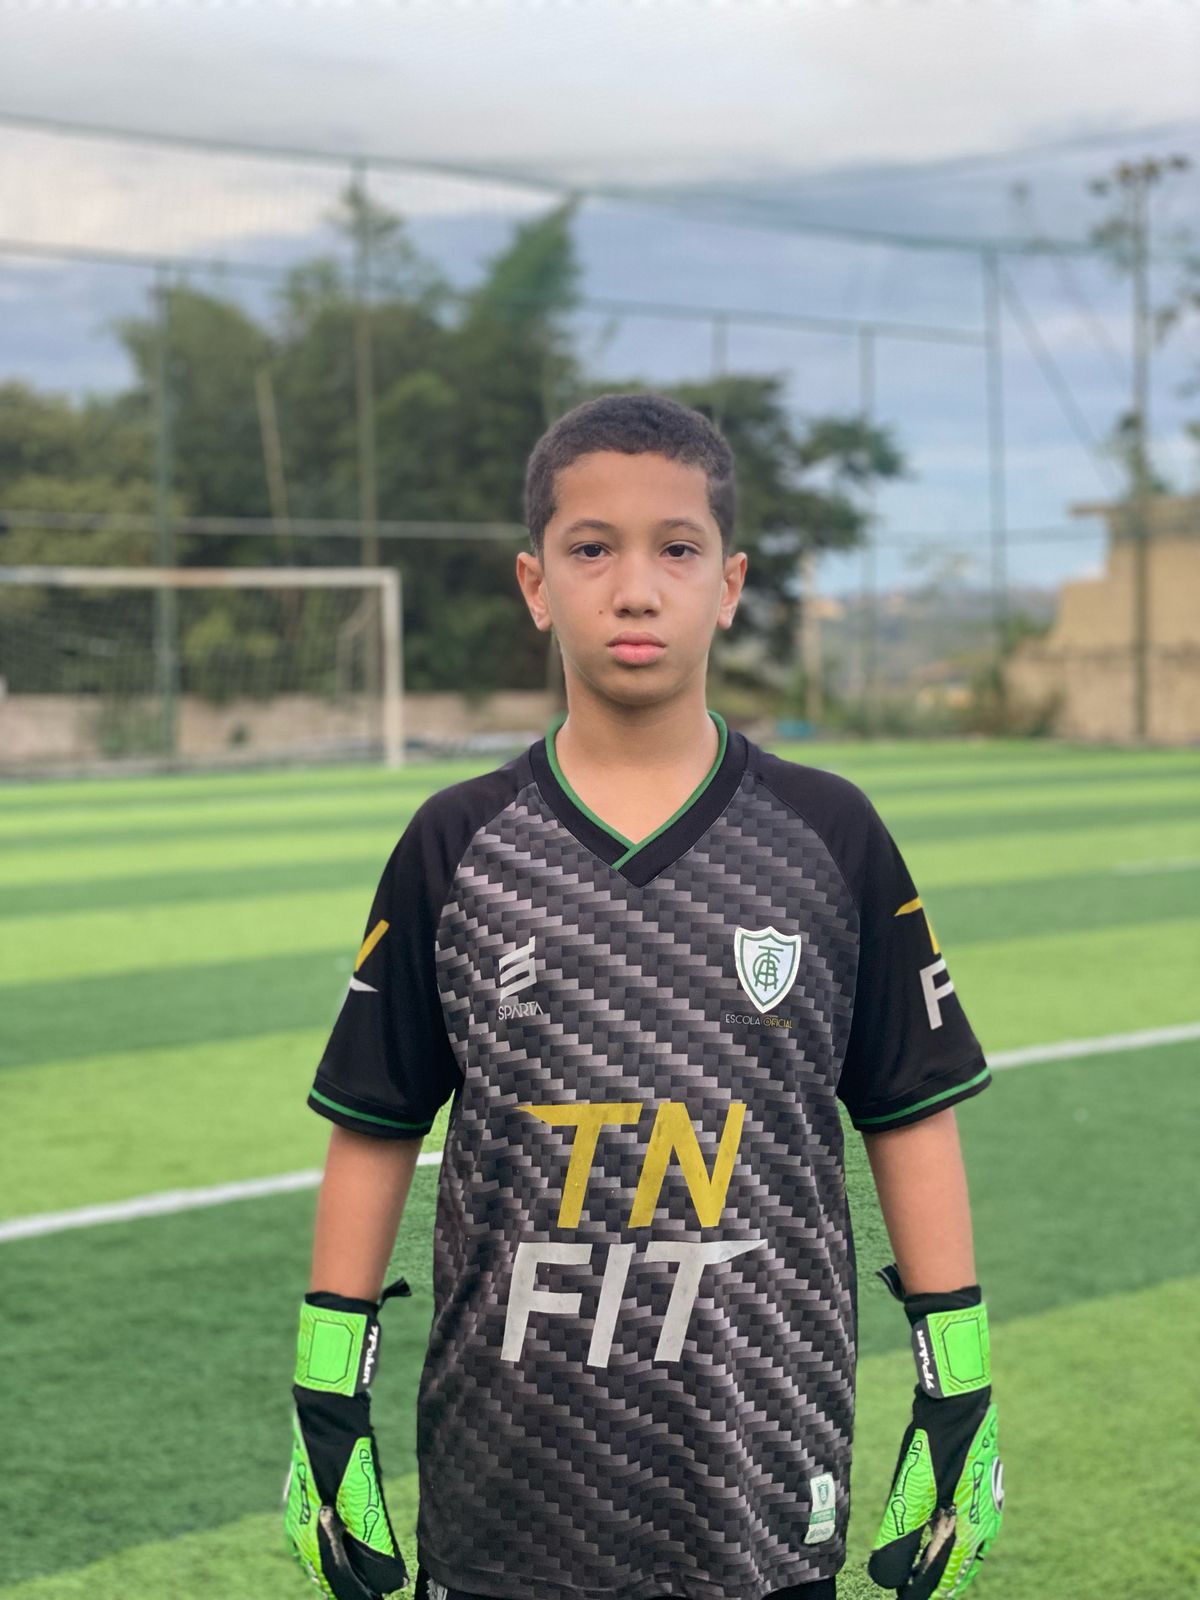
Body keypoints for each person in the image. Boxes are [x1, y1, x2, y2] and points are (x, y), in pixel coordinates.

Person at [282, 393, 1004, 1600]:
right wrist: (326, 1390)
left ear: (729, 584)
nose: (634, 589)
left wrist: (957, 1383)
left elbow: (909, 1108)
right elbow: (375, 1120)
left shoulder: (832, 836)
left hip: (762, 1466)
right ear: (535, 584)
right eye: (591, 549)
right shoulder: (454, 844)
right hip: (503, 1481)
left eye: (676, 548)